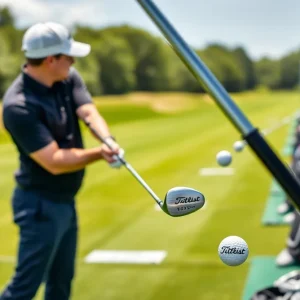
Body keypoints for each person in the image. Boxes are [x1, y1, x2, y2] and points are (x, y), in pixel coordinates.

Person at [0, 22, 124, 300]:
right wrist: (101, 154)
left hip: (64, 201)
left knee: (60, 283)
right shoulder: (18, 105)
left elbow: (88, 112)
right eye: (68, 56)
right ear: (50, 59)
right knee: (24, 288)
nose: (73, 60)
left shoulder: (67, 77)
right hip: (39, 206)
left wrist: (108, 139)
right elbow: (54, 161)